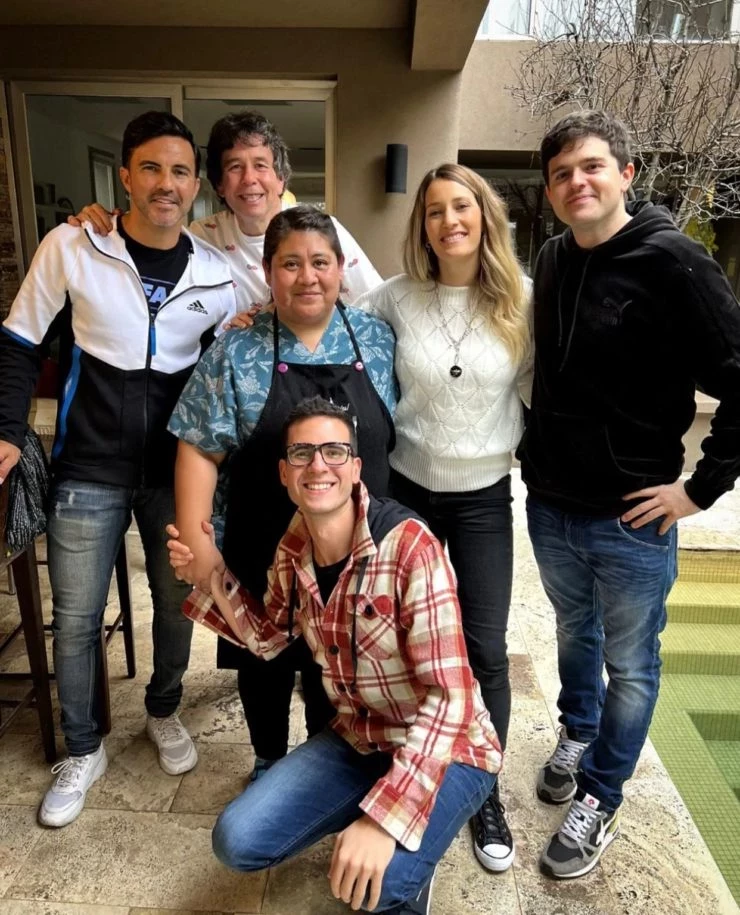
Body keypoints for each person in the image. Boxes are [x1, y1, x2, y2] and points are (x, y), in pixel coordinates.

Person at [168, 396, 502, 915]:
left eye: (334, 451)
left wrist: (384, 820)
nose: (318, 465)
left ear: (355, 467)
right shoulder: (293, 549)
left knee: (381, 884)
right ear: (284, 473)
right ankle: (389, 821)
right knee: (236, 839)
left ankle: (411, 858)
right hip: (360, 738)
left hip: (450, 749)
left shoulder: (409, 546)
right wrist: (208, 576)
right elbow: (269, 639)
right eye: (302, 453)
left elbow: (450, 698)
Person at [519, 109, 740, 879]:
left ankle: (601, 794)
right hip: (550, 504)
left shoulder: (673, 261)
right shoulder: (553, 257)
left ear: (626, 174)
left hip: (632, 518)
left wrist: (699, 490)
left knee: (632, 664)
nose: (576, 182)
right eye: (561, 173)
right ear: (550, 190)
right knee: (573, 633)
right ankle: (577, 732)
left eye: (591, 166)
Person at [0, 111, 237, 827]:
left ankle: (163, 709)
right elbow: (18, 342)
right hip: (88, 466)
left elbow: (228, 372)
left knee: (175, 600)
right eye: (152, 168)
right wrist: (6, 431)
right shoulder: (75, 246)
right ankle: (82, 747)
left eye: (180, 171)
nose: (167, 183)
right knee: (75, 616)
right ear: (126, 177)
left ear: (195, 186)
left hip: (176, 471)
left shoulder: (216, 273)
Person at [168, 206, 396, 780]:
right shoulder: (236, 350)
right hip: (261, 543)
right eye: (290, 264)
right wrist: (199, 544)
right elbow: (199, 446)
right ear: (268, 272)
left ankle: (329, 767)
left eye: (320, 262)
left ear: (341, 267)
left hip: (354, 551)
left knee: (340, 664)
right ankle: (268, 760)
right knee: (262, 663)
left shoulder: (376, 338)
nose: (307, 276)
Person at [353, 163, 531, 873]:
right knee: (403, 644)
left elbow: (551, 388)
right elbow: (326, 318)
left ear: (484, 214)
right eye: (434, 210)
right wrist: (257, 314)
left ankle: (484, 789)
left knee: (484, 647)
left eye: (462, 206)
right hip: (408, 491)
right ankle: (409, 770)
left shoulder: (521, 300)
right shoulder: (395, 297)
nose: (449, 220)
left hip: (484, 494)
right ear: (422, 225)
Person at [73, 109, 382, 310]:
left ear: (281, 179)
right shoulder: (201, 238)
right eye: (235, 167)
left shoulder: (323, 232)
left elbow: (377, 306)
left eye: (260, 165)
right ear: (219, 185)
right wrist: (104, 223)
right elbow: (149, 240)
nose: (249, 179)